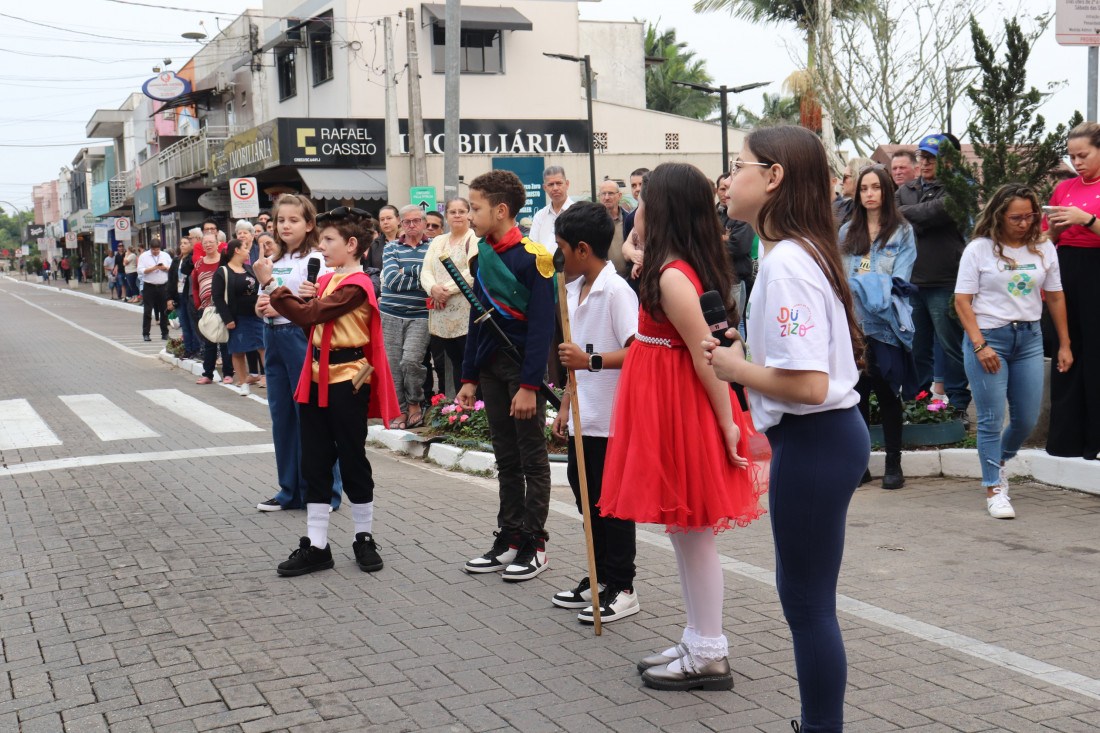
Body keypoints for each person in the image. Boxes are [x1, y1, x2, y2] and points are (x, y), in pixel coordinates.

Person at [705, 125, 868, 731]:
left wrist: (733, 366)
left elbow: (809, 385)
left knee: (807, 605)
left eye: (738, 164)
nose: (727, 178)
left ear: (773, 178)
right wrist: (745, 354)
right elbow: (796, 369)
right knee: (808, 601)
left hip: (816, 439)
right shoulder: (792, 253)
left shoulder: (789, 263)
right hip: (821, 438)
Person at [597, 163, 763, 692]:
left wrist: (726, 424)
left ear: (662, 210)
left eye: (643, 201)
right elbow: (627, 247)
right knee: (683, 531)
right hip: (667, 401)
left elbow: (705, 355)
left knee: (692, 534)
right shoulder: (663, 264)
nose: (633, 210)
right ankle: (697, 638)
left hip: (681, 406)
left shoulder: (671, 275)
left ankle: (710, 650)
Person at [260, 208, 400, 576]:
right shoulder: (329, 281)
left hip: (347, 379)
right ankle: (317, 545)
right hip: (317, 377)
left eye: (328, 240)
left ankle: (363, 537)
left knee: (352, 458)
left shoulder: (358, 284)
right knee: (315, 461)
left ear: (352, 245)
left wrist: (273, 288)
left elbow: (308, 318)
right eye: (322, 239)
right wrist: (300, 301)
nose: (321, 247)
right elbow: (312, 326)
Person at [458, 170, 556, 582]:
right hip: (491, 367)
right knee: (505, 456)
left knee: (532, 457)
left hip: (523, 371)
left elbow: (541, 329)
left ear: (501, 210)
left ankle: (535, 543)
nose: (469, 214)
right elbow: (477, 319)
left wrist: (531, 385)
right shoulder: (481, 255)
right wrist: (468, 378)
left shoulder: (536, 258)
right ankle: (510, 537)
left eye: (475, 208)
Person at [549, 201, 641, 624]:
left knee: (612, 504)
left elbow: (638, 351)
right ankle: (599, 574)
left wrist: (593, 363)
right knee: (586, 496)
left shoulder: (616, 290)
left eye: (561, 247)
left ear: (582, 248)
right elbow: (572, 358)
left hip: (613, 418)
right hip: (585, 416)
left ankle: (623, 586)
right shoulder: (571, 289)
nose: (557, 255)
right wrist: (565, 407)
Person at [957, 184, 1072, 518]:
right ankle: (993, 487)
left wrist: (1064, 344)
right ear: (999, 216)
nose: (1024, 223)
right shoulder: (979, 249)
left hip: (1030, 338)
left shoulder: (1043, 248)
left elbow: (1056, 295)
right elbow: (962, 301)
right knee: (991, 418)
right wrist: (979, 345)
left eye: (1029, 216)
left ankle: (1000, 459)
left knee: (1026, 418)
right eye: (1016, 217)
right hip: (989, 337)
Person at [253, 194, 342, 513]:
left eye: (293, 220)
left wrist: (308, 297)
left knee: (312, 416)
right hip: (273, 335)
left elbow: (318, 305)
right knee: (282, 417)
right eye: (280, 220)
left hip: (300, 337)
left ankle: (326, 491)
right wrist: (261, 304)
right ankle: (289, 490)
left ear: (309, 224)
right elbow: (264, 301)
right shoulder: (271, 261)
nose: (286, 225)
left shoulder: (316, 259)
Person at [840, 164, 917, 490]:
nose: (870, 194)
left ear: (886, 191)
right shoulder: (846, 233)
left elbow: (898, 282)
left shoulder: (902, 232)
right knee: (856, 397)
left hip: (887, 329)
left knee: (888, 396)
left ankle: (893, 464)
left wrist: (865, 286)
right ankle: (861, 466)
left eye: (876, 188)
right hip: (854, 329)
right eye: (864, 188)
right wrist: (870, 285)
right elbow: (843, 283)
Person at [897, 133, 972, 417]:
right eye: (922, 157)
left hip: (945, 280)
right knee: (916, 347)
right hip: (912, 282)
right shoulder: (906, 189)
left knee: (951, 346)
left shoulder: (958, 188)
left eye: (932, 158)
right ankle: (918, 403)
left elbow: (937, 211)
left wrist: (908, 214)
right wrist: (913, 214)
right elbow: (894, 217)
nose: (925, 163)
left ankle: (958, 405)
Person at [1044, 121, 1100, 461]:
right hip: (1066, 269)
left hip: (1097, 269)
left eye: (1084, 155)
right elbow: (1046, 240)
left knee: (1096, 352)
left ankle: (1096, 439)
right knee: (1067, 350)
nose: (1077, 162)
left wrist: (1086, 220)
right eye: (1072, 156)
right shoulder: (1063, 188)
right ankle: (1066, 440)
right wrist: (1052, 230)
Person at [380, 205, 432, 429]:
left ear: (423, 223)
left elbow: (434, 277)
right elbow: (391, 279)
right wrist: (421, 277)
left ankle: (414, 403)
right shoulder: (391, 247)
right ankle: (399, 410)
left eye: (416, 221)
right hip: (390, 314)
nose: (412, 225)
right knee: (392, 366)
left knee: (411, 362)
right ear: (401, 224)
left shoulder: (433, 247)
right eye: (407, 222)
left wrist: (406, 271)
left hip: (420, 315)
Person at [420, 197, 477, 396]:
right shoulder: (437, 241)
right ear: (447, 216)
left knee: (469, 363)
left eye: (462, 211)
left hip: (465, 312)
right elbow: (425, 270)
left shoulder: (474, 239)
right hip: (440, 312)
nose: (457, 215)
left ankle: (476, 410)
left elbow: (472, 273)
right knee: (452, 362)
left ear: (469, 215)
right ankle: (459, 413)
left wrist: (444, 290)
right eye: (453, 212)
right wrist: (432, 289)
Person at [212, 238, 265, 396]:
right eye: (245, 248)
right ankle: (243, 383)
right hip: (237, 317)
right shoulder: (223, 272)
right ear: (236, 250)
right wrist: (228, 319)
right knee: (238, 351)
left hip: (255, 315)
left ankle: (269, 377)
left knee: (264, 347)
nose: (248, 251)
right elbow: (218, 297)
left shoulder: (249, 268)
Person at [191, 234, 235, 385]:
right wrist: (198, 304)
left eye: (211, 242)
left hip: (223, 306)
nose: (208, 245)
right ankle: (208, 374)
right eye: (205, 243)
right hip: (205, 308)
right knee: (209, 341)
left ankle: (228, 373)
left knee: (224, 340)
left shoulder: (224, 263)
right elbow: (195, 286)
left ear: (218, 244)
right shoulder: (198, 264)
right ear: (202, 246)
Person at [167, 237, 201, 358]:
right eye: (181, 243)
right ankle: (188, 349)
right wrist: (169, 298)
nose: (182, 245)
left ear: (192, 246)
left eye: (186, 243)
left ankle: (197, 349)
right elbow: (171, 279)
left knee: (193, 323)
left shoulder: (191, 259)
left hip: (189, 295)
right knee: (184, 324)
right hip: (178, 295)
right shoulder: (176, 260)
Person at [528, 166, 575, 252]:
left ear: (567, 184)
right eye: (550, 184)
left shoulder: (577, 213)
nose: (555, 188)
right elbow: (533, 247)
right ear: (545, 188)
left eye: (559, 183)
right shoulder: (539, 216)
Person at [137, 237, 172, 342]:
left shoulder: (165, 255)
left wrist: (165, 268)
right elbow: (140, 270)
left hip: (163, 286)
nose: (156, 252)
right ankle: (146, 334)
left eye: (157, 249)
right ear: (150, 248)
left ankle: (165, 333)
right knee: (147, 311)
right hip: (149, 286)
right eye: (154, 250)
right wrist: (153, 268)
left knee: (164, 311)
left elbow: (172, 268)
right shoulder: (144, 256)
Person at [597, 180, 632, 281]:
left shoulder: (629, 220)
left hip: (628, 279)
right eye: (603, 194)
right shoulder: (593, 222)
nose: (606, 197)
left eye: (611, 193)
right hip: (603, 279)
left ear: (619, 195)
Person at [833, 157, 874, 229]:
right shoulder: (838, 207)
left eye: (845, 177)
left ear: (858, 178)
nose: (841, 182)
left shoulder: (876, 211)